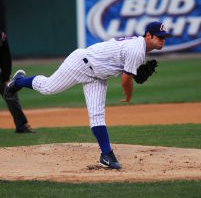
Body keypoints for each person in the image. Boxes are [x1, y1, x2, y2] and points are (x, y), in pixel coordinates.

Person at [4, 21, 171, 168]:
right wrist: (128, 95)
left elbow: (123, 68)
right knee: (49, 87)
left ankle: (107, 156)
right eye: (159, 37)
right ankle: (19, 81)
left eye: (164, 37)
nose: (162, 40)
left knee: (97, 115)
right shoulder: (137, 49)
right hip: (81, 63)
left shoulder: (139, 47)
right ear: (148, 35)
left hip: (98, 76)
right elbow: (125, 80)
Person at [0, 30, 35, 133]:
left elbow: (6, 56)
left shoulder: (1, 36)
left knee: (11, 94)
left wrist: (6, 76)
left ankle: (21, 125)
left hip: (1, 75)